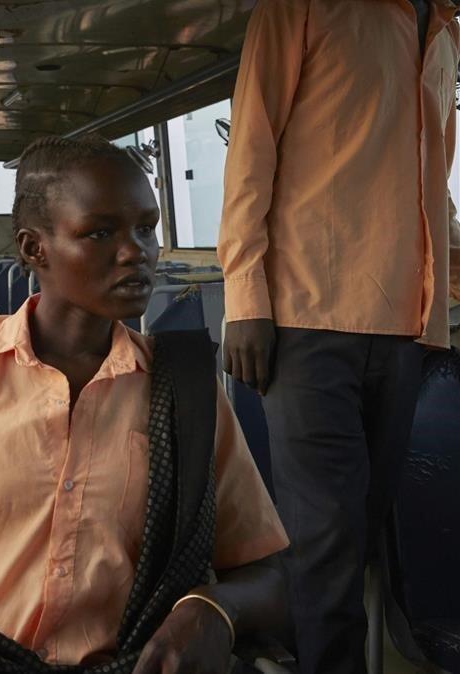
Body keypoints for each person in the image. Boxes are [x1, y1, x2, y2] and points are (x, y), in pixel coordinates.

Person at [0, 136, 289, 671]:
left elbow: (266, 574)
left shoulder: (186, 390)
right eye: (100, 232)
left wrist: (211, 608)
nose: (136, 252)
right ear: (34, 248)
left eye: (146, 229)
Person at [218, 2, 459, 671]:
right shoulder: (298, 8)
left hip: (406, 326)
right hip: (306, 316)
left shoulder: (442, 31)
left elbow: (429, 187)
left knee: (364, 536)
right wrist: (245, 295)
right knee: (326, 542)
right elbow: (251, 146)